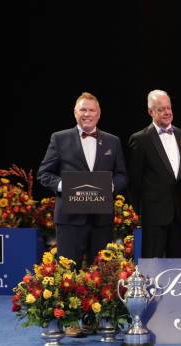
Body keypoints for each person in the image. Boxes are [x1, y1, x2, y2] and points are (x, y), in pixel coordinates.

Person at [38, 92, 127, 268]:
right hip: (70, 219)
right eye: (83, 110)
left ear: (98, 114)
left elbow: (122, 175)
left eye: (91, 110)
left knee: (102, 272)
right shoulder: (59, 138)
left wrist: (111, 186)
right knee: (68, 274)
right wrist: (66, 186)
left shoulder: (113, 141)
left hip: (101, 220)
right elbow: (44, 174)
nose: (87, 114)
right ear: (75, 112)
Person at [128, 90, 181, 258]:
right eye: (161, 109)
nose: (167, 112)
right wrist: (142, 211)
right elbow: (134, 181)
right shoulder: (140, 139)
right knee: (151, 265)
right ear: (151, 112)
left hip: (180, 215)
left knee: (178, 267)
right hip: (153, 217)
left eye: (169, 108)